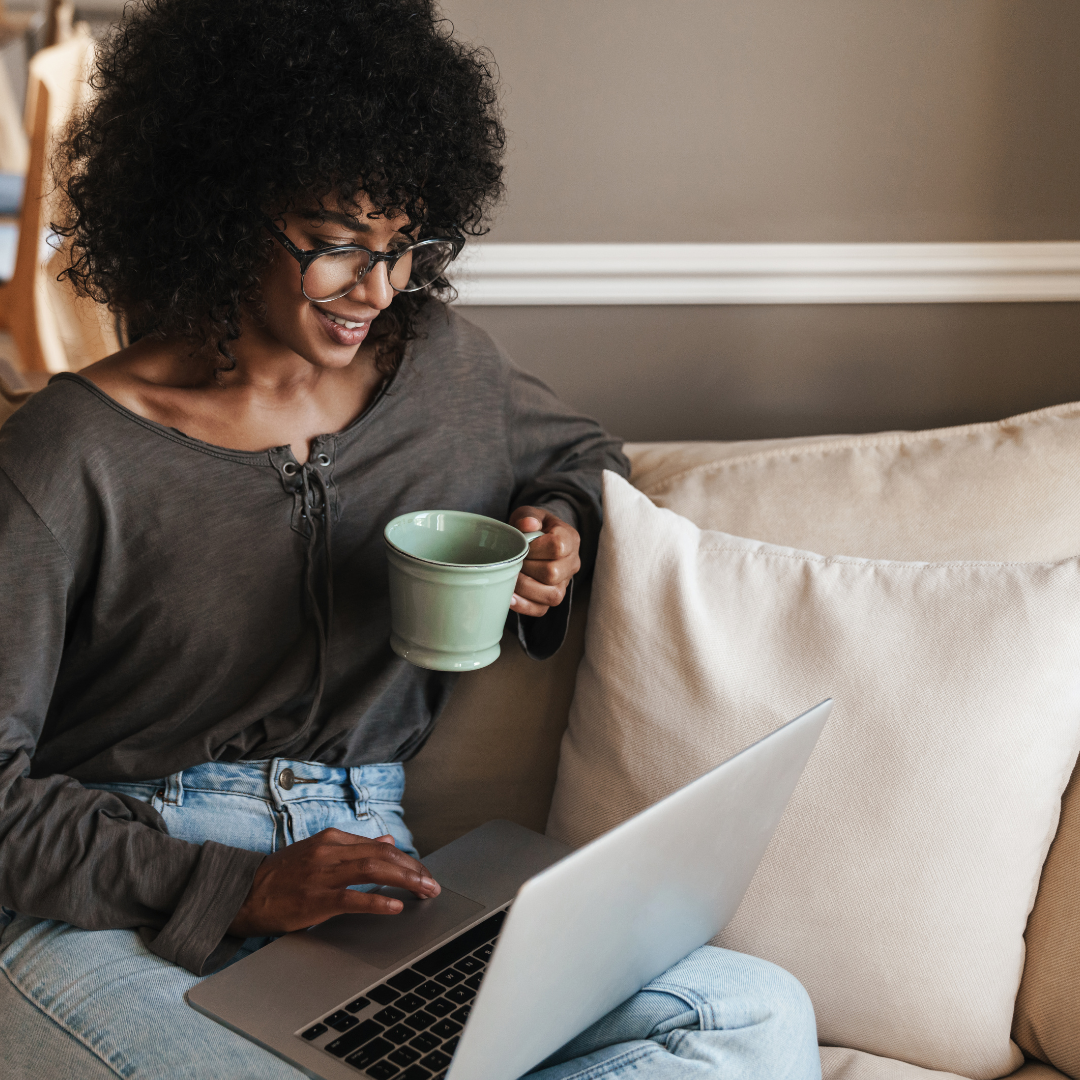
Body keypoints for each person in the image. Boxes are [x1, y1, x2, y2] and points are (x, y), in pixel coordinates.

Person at [0, 2, 821, 1078]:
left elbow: (582, 452)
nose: (376, 291)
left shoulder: (441, 370)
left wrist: (560, 524)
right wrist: (235, 884)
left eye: (406, 247)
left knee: (746, 1013)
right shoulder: (69, 454)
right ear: (220, 207)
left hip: (375, 887)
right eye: (337, 247)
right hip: (113, 906)